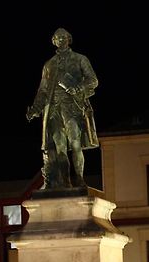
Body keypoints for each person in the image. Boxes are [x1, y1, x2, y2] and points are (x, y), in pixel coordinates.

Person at [27, 28, 99, 189]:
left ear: (69, 39)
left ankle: (79, 179)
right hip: (53, 109)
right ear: (53, 40)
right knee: (59, 147)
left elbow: (93, 80)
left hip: (72, 106)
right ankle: (65, 181)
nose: (60, 40)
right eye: (57, 38)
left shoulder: (80, 59)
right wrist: (36, 109)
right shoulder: (49, 64)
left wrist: (78, 88)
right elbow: (43, 90)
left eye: (63, 37)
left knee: (75, 143)